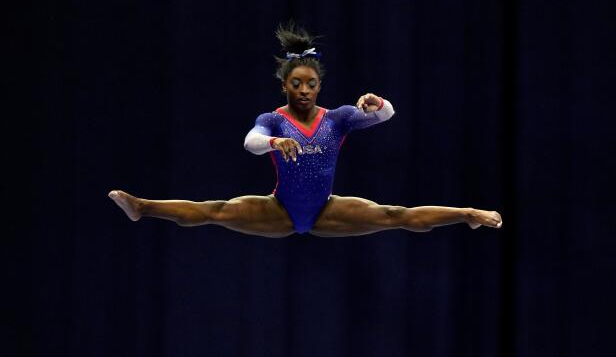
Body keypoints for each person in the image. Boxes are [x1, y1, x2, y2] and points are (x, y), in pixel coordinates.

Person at [109, 23, 502, 238]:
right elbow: (251, 142)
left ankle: (466, 213)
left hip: (328, 211)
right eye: (296, 84)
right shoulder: (275, 119)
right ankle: (143, 208)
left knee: (393, 214)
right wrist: (276, 141)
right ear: (285, 86)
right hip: (279, 210)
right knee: (215, 210)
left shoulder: (339, 118)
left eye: (310, 84)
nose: (303, 90)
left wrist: (376, 103)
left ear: (319, 86)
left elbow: (388, 116)